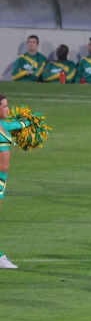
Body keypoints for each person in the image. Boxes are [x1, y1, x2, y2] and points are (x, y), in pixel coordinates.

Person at [0, 94, 32, 269]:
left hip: (2, 180)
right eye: (4, 106)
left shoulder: (4, 125)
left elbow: (18, 124)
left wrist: (31, 121)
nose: (8, 110)